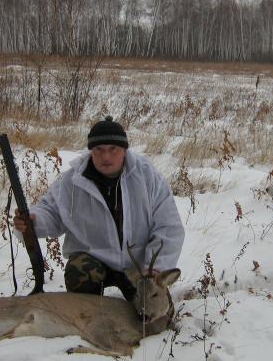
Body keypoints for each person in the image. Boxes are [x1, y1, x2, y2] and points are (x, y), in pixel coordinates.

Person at [13, 116, 185, 300]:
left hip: (139, 268)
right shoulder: (72, 182)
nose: (106, 156)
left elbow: (168, 228)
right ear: (90, 151)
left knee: (156, 321)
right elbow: (51, 212)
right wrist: (33, 220)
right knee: (80, 274)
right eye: (99, 150)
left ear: (125, 150)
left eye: (113, 149)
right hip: (95, 261)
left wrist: (156, 269)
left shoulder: (147, 178)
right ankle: (89, 312)